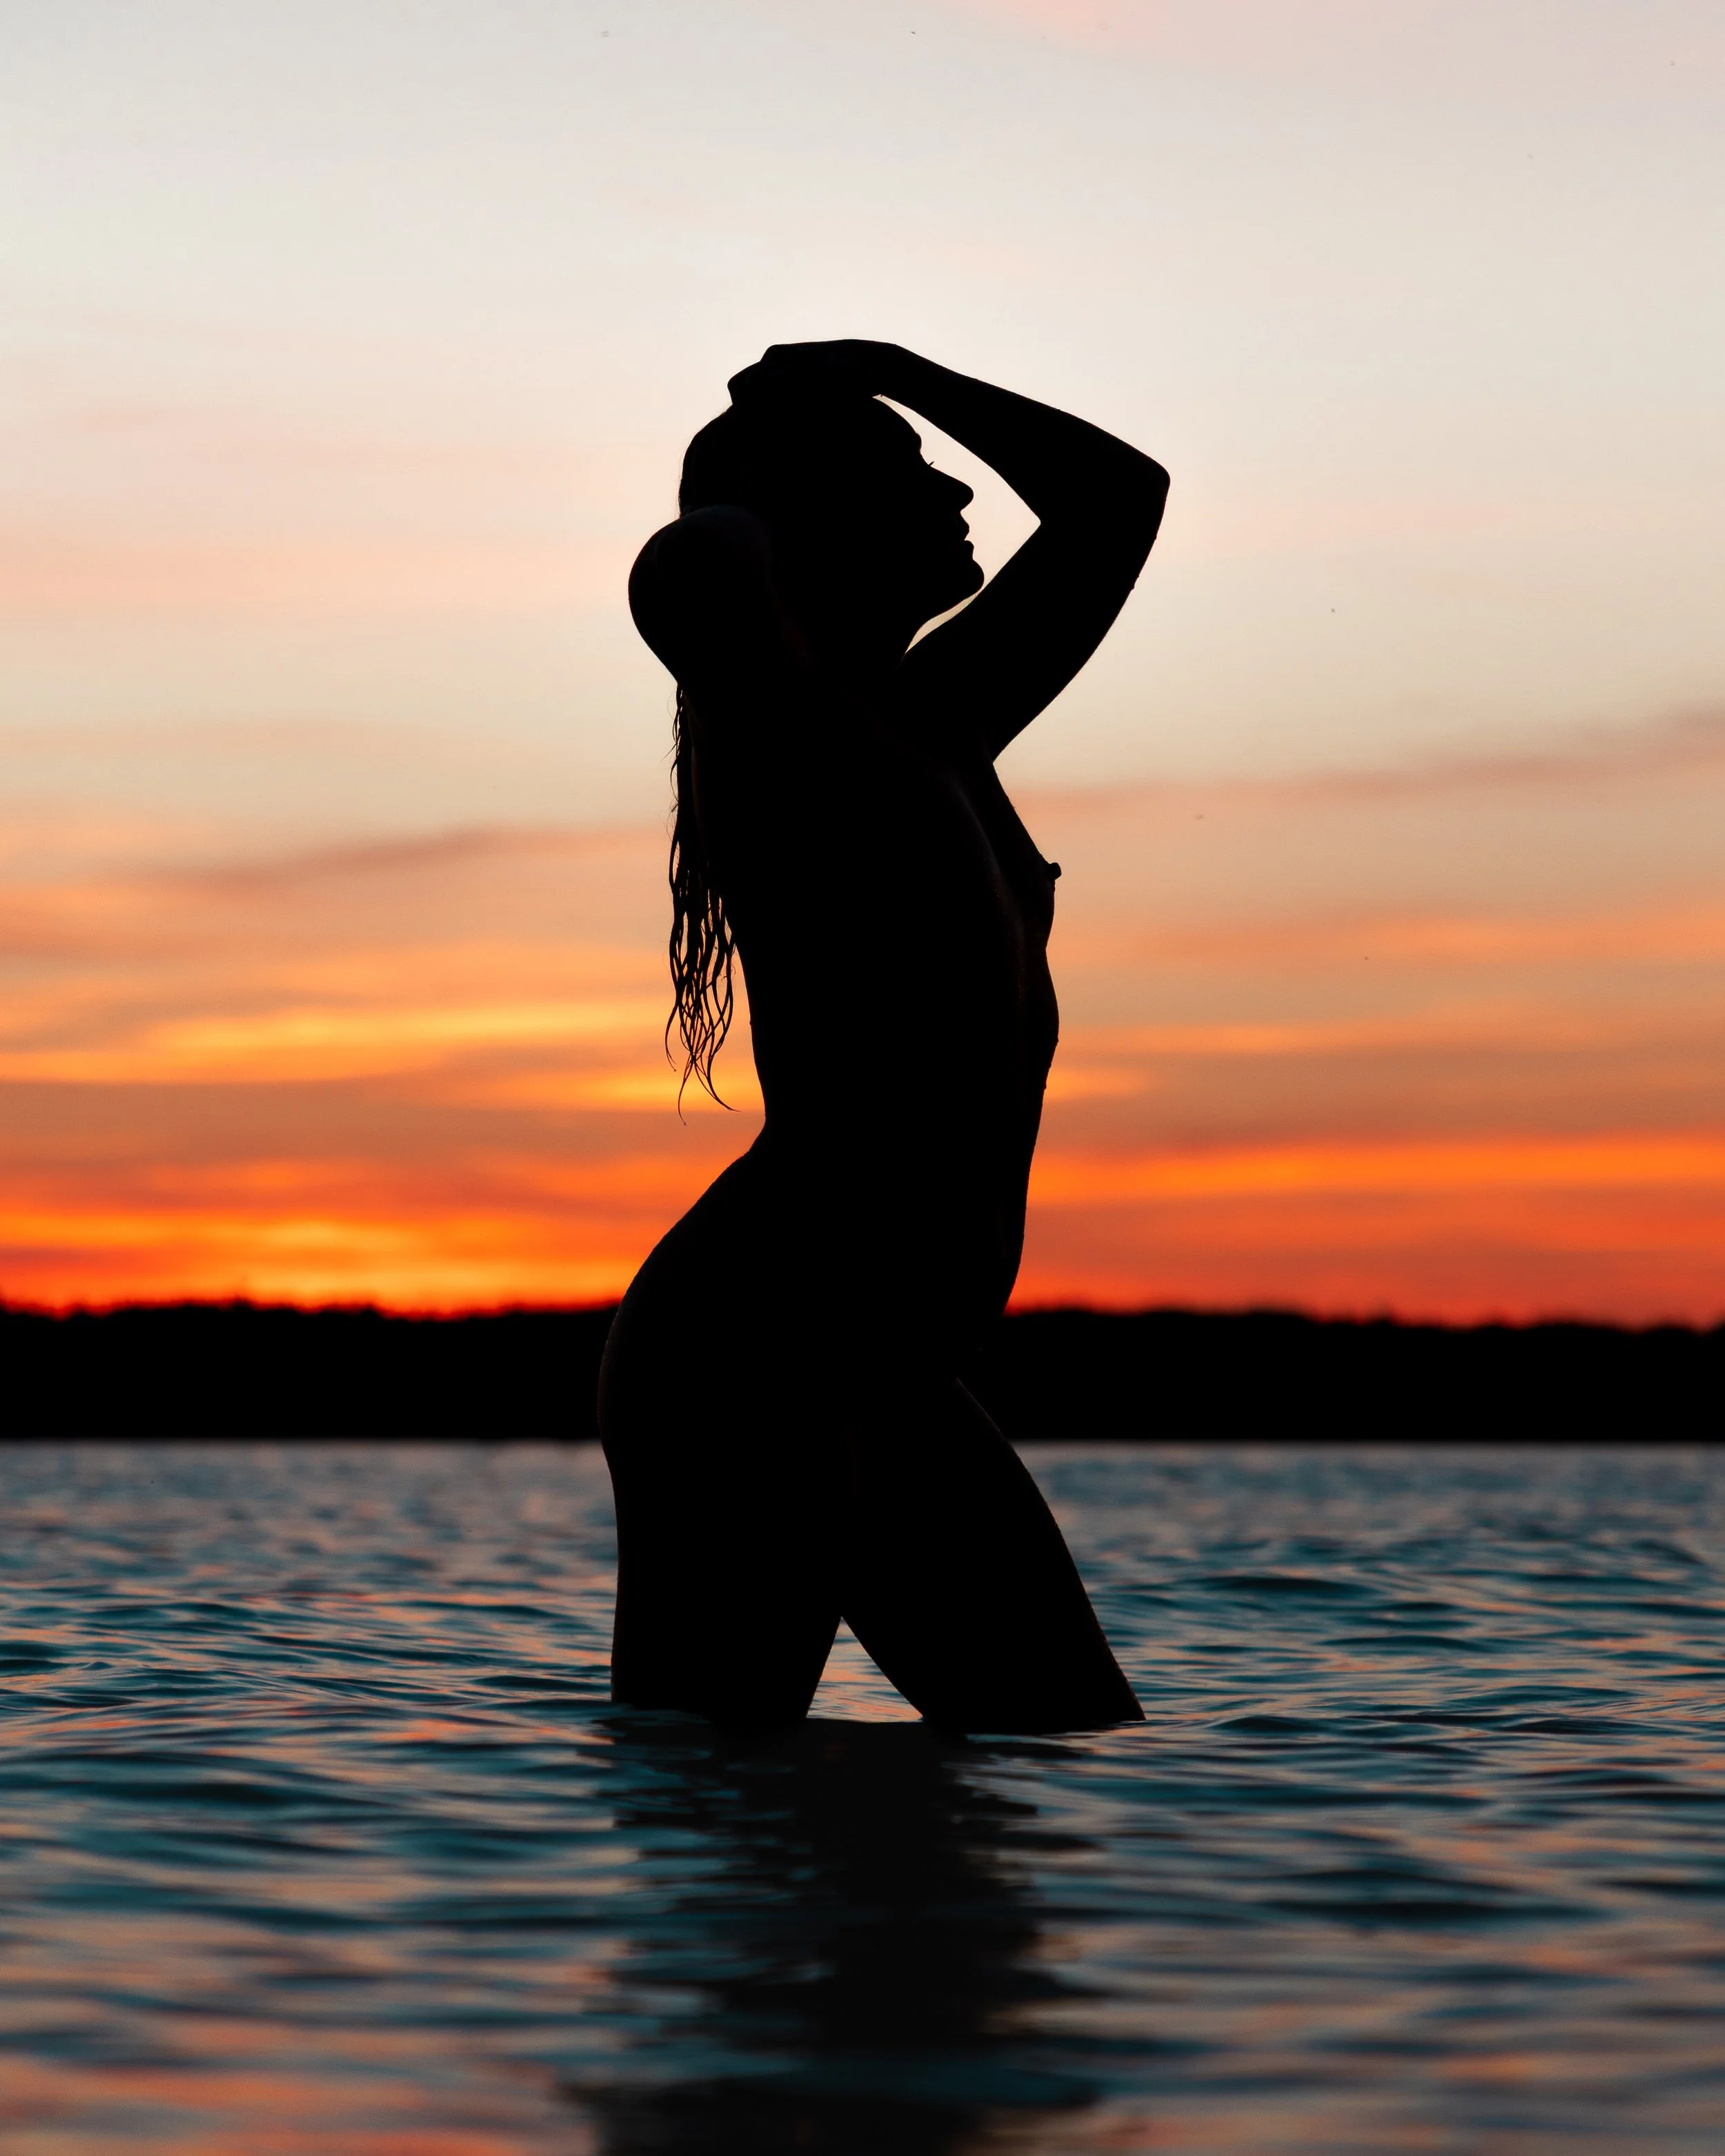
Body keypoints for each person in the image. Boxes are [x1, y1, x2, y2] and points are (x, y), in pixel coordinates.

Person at [599, 341, 1167, 1732]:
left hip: (882, 1366)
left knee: (1063, 1752)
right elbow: (690, 566)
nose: (957, 486)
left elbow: (1116, 498)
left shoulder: (937, 716)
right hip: (756, 1352)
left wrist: (883, 369)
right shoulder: (783, 721)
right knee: (712, 1786)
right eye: (906, 474)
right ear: (818, 533)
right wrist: (760, 467)